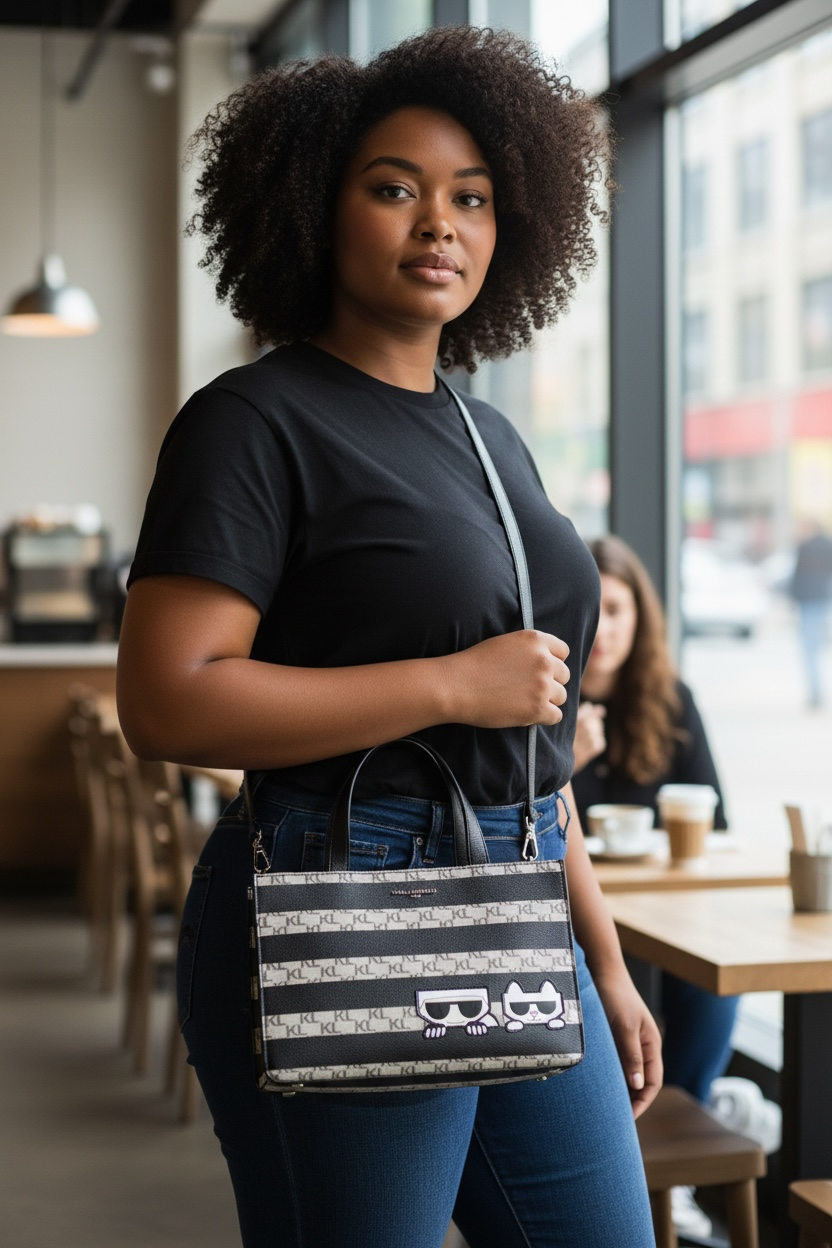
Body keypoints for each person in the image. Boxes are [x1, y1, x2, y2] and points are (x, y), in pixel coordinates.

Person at [117, 28, 661, 1248]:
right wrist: (447, 683)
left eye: (471, 197)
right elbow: (168, 703)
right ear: (316, 206)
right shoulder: (252, 423)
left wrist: (605, 957)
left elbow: (532, 740)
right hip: (338, 883)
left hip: (519, 898)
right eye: (394, 188)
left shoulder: (492, 439)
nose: (439, 224)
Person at [571, 534, 737, 1240]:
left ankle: (687, 1120)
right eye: (592, 610)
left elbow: (716, 822)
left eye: (618, 610)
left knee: (710, 984)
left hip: (657, 899)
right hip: (582, 912)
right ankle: (650, 1137)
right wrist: (567, 763)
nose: (604, 629)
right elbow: (538, 828)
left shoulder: (671, 702)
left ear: (641, 619)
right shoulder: (547, 704)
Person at [789, 521, 832, 709]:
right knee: (813, 648)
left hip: (808, 602)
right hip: (822, 599)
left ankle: (815, 692)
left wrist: (793, 598)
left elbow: (796, 576)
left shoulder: (805, 547)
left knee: (810, 649)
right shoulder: (827, 546)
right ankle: (815, 691)